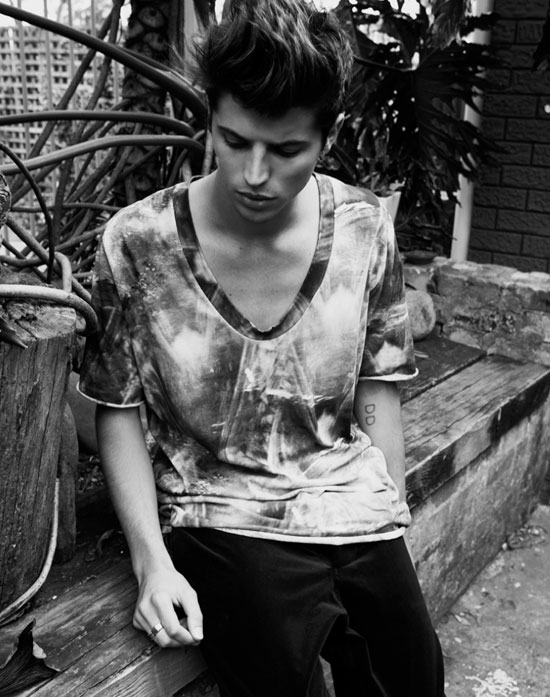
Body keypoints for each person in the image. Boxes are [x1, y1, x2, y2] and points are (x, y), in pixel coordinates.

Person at [78, 1, 446, 695]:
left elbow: (378, 390)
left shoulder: (364, 229)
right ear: (210, 120)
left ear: (326, 136)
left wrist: (388, 521)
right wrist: (152, 564)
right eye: (233, 139)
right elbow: (117, 411)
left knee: (414, 673)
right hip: (220, 509)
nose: (252, 173)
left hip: (347, 502)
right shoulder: (139, 241)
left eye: (285, 151)